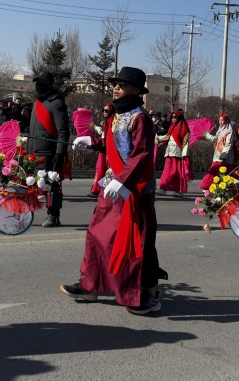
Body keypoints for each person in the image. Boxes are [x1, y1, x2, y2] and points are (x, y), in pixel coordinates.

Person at [66, 66, 166, 314]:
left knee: (134, 242)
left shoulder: (140, 118)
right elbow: (111, 143)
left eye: (123, 83)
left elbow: (141, 155)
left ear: (137, 90)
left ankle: (140, 293)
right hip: (111, 186)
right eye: (116, 83)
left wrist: (123, 181)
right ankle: (91, 285)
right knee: (97, 234)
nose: (117, 86)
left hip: (134, 189)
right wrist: (92, 142)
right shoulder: (116, 116)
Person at [28, 72, 71, 227]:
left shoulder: (57, 103)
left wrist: (60, 152)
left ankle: (53, 215)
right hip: (34, 151)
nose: (38, 85)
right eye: (37, 82)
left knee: (52, 186)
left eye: (42, 82)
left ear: (50, 84)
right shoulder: (37, 102)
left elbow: (63, 131)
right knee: (33, 184)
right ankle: (27, 214)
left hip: (49, 152)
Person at [198, 113, 238, 191]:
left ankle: (213, 187)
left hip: (225, 157)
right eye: (219, 120)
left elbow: (228, 145)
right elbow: (216, 139)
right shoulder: (220, 130)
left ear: (226, 121)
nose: (220, 122)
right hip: (218, 155)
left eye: (222, 120)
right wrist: (207, 136)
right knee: (217, 173)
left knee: (221, 173)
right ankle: (213, 188)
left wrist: (224, 155)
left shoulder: (229, 131)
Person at [157, 110, 192, 195]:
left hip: (178, 154)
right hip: (170, 153)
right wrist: (158, 139)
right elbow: (167, 137)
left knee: (177, 173)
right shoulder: (172, 127)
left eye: (175, 117)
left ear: (179, 118)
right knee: (167, 171)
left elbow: (185, 141)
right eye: (172, 117)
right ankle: (163, 188)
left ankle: (178, 190)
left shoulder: (183, 128)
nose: (173, 119)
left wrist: (185, 154)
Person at [89, 102, 115, 197]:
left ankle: (104, 189)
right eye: (103, 110)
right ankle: (98, 189)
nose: (104, 112)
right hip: (103, 149)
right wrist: (95, 127)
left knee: (110, 169)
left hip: (109, 150)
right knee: (100, 169)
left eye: (106, 111)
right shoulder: (105, 122)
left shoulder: (113, 122)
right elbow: (103, 133)